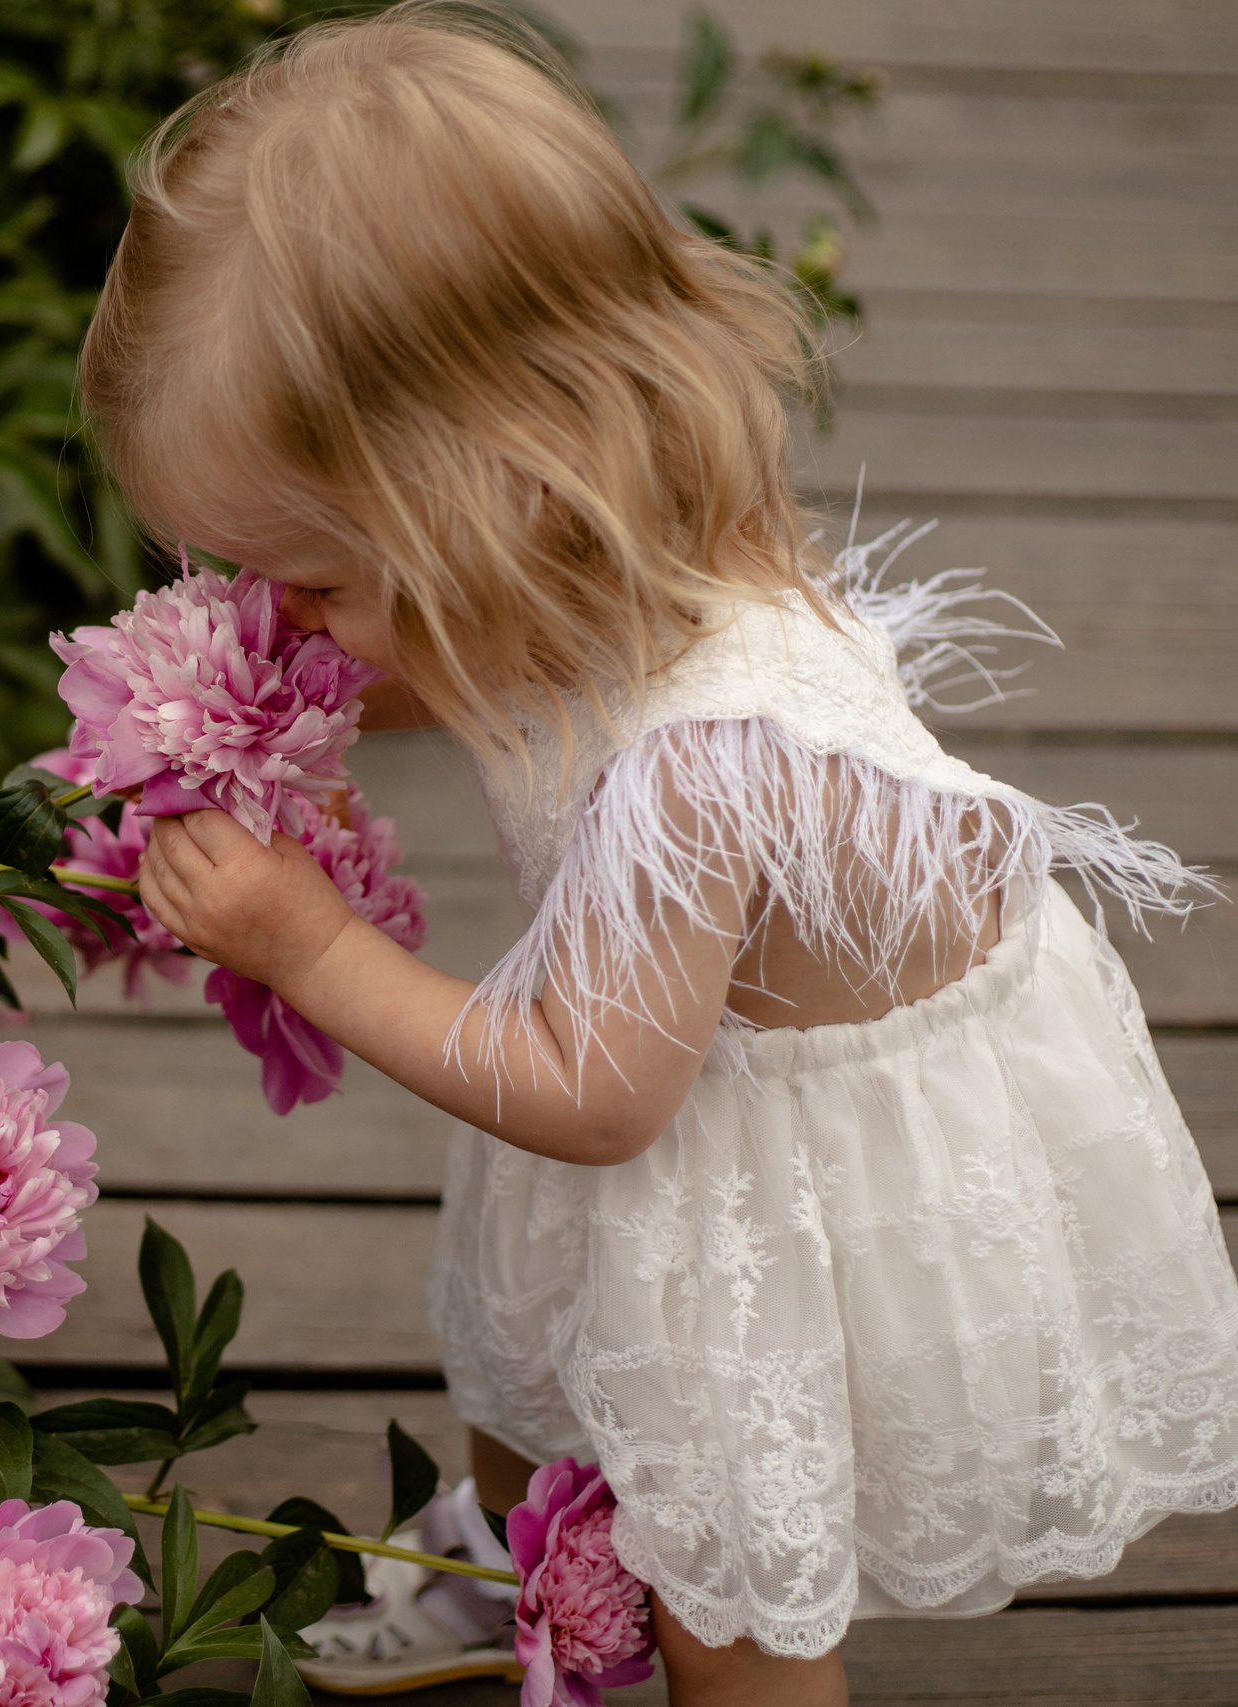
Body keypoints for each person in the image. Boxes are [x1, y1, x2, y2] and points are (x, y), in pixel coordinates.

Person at [77, 8, 1238, 1704]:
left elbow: (595, 1100)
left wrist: (311, 947)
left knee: (728, 1577)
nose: (289, 622)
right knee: (531, 1352)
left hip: (777, 1172)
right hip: (654, 1058)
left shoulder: (708, 768)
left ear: (487, 501)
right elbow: (488, 689)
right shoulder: (575, 561)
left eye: (313, 587)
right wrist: (280, 724)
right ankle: (509, 1566)